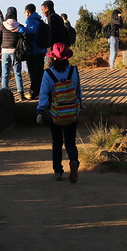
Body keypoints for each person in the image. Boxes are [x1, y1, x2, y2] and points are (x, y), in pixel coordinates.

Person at [36, 42, 83, 182]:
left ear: (53, 58)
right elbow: (78, 90)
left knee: (56, 142)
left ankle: (58, 171)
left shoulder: (48, 73)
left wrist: (40, 112)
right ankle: (73, 160)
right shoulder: (73, 71)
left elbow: (44, 94)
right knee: (70, 142)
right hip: (71, 111)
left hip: (54, 112)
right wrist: (80, 106)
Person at [19, 3, 50, 99]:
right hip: (40, 50)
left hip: (34, 51)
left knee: (34, 73)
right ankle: (40, 92)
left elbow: (32, 30)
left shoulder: (32, 20)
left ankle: (34, 93)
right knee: (39, 72)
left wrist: (20, 29)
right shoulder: (38, 19)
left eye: (24, 12)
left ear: (27, 12)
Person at [0, 6, 26, 99]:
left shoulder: (2, 25)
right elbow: (24, 38)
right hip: (15, 52)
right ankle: (20, 93)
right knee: (17, 72)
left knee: (5, 73)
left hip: (4, 51)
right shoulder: (19, 26)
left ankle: (4, 93)